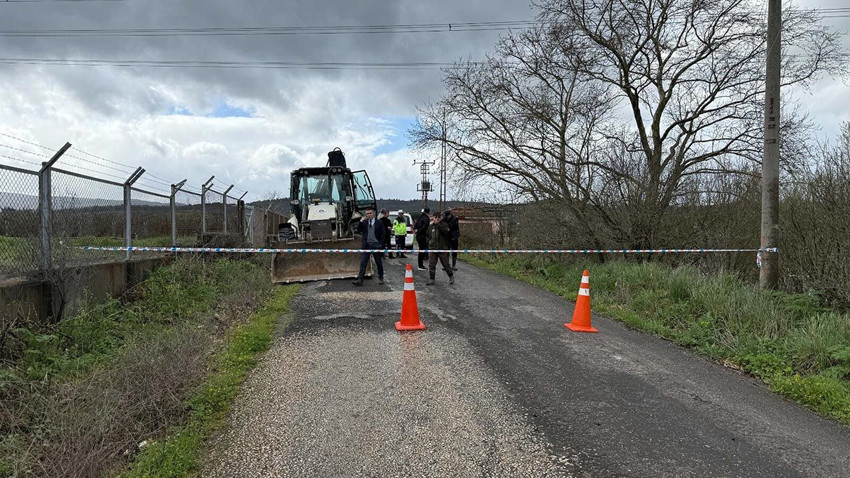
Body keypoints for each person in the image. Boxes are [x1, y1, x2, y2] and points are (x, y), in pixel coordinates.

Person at [352, 209, 385, 286]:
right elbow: (358, 230)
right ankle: (360, 280)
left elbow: (383, 234)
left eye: (370, 213)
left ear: (373, 213)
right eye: (367, 214)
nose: (369, 215)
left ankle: (381, 278)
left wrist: (380, 244)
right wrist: (360, 222)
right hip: (366, 245)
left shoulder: (379, 223)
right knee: (363, 263)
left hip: (376, 245)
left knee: (378, 262)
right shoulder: (364, 222)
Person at [425, 210, 454, 285]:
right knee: (431, 264)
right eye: (436, 217)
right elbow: (427, 235)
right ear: (433, 218)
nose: (437, 219)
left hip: (441, 248)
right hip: (433, 248)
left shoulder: (444, 225)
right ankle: (432, 279)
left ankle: (451, 275)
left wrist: (438, 224)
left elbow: (445, 232)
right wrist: (429, 242)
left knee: (445, 263)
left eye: (439, 217)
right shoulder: (430, 227)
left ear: (440, 218)